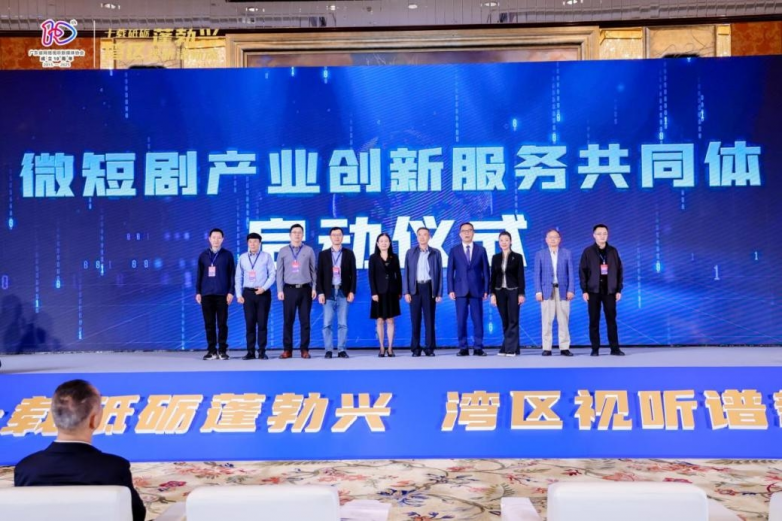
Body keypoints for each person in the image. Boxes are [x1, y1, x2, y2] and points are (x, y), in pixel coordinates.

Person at [14, 379, 146, 521]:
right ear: (94, 419)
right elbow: (135, 515)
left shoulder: (26, 468)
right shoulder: (113, 467)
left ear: (54, 416)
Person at [579, 224, 625, 356]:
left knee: (611, 320)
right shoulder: (588, 251)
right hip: (593, 291)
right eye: (599, 234)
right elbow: (582, 272)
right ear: (594, 235)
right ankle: (595, 348)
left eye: (604, 233)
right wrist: (584, 290)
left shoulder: (613, 251)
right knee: (594, 320)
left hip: (609, 291)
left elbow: (619, 270)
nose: (602, 236)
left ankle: (614, 348)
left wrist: (618, 290)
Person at [448, 222, 491, 356]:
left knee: (477, 319)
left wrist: (486, 289)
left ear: (473, 233)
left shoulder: (481, 250)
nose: (467, 233)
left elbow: (486, 271)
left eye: (469, 230)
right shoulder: (454, 250)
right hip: (460, 289)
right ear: (460, 234)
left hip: (477, 289)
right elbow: (450, 272)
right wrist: (450, 289)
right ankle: (463, 347)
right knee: (461, 320)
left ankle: (478, 347)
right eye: (464, 231)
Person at [276, 223, 317, 359]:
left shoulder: (309, 250)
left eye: (299, 232)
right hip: (289, 290)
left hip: (305, 289)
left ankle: (304, 349)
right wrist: (280, 290)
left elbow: (313, 270)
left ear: (303, 234)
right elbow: (279, 273)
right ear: (290, 235)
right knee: (288, 321)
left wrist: (314, 287)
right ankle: (287, 350)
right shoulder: (283, 251)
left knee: (305, 321)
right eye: (294, 232)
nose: (297, 235)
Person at [317, 227, 357, 359]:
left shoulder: (349, 253)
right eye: (334, 235)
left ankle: (341, 350)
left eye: (339, 235)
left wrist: (352, 291)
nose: (336, 237)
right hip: (328, 292)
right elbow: (319, 275)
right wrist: (320, 292)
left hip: (343, 291)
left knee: (343, 323)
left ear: (342, 237)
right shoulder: (323, 254)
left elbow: (353, 274)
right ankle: (328, 350)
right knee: (327, 323)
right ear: (330, 237)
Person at [534, 229, 575, 357]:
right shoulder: (540, 254)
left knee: (563, 320)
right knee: (546, 320)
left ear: (559, 239)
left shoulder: (567, 253)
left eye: (555, 237)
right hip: (546, 291)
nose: (552, 239)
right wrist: (538, 291)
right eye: (550, 237)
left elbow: (571, 273)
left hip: (563, 291)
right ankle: (547, 348)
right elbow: (537, 275)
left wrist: (571, 289)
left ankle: (564, 347)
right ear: (546, 240)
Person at [235, 232, 276, 360]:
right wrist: (238, 294)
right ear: (247, 243)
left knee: (262, 323)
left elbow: (272, 274)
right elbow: (238, 277)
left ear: (260, 243)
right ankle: (250, 352)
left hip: (263, 293)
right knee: (250, 324)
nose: (253, 244)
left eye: (255, 241)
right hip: (248, 293)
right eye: (250, 242)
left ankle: (262, 351)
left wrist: (264, 288)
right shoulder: (242, 257)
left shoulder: (266, 256)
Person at [195, 228, 235, 360]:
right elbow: (199, 275)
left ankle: (222, 350)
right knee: (209, 324)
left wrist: (231, 292)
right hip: (206, 294)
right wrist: (198, 292)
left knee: (222, 324)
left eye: (219, 237)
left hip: (222, 294)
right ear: (209, 239)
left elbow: (232, 275)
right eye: (214, 237)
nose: (216, 240)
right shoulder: (203, 256)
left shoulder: (227, 255)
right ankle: (211, 350)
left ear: (222, 239)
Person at [404, 227, 443, 357]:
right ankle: (415, 348)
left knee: (429, 319)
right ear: (417, 237)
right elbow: (406, 273)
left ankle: (429, 348)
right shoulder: (410, 252)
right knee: (415, 320)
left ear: (429, 237)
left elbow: (439, 274)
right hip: (414, 289)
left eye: (425, 234)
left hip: (429, 287)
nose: (422, 237)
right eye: (419, 235)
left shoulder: (435, 253)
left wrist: (438, 292)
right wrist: (406, 292)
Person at [490, 231, 526, 357]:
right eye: (501, 240)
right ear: (499, 243)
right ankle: (509, 347)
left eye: (506, 240)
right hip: (499, 291)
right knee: (505, 320)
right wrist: (492, 294)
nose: (504, 242)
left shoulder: (518, 257)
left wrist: (521, 294)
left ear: (511, 242)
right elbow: (493, 277)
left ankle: (510, 349)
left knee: (513, 319)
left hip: (513, 291)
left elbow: (521, 276)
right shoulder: (495, 258)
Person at [369, 233, 402, 357]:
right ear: (377, 244)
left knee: (390, 320)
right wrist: (373, 292)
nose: (384, 243)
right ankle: (382, 348)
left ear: (389, 243)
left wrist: (399, 291)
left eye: (386, 241)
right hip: (378, 293)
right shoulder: (373, 258)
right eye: (381, 241)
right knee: (379, 320)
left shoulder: (394, 257)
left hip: (392, 292)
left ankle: (390, 348)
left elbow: (398, 275)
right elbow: (371, 276)